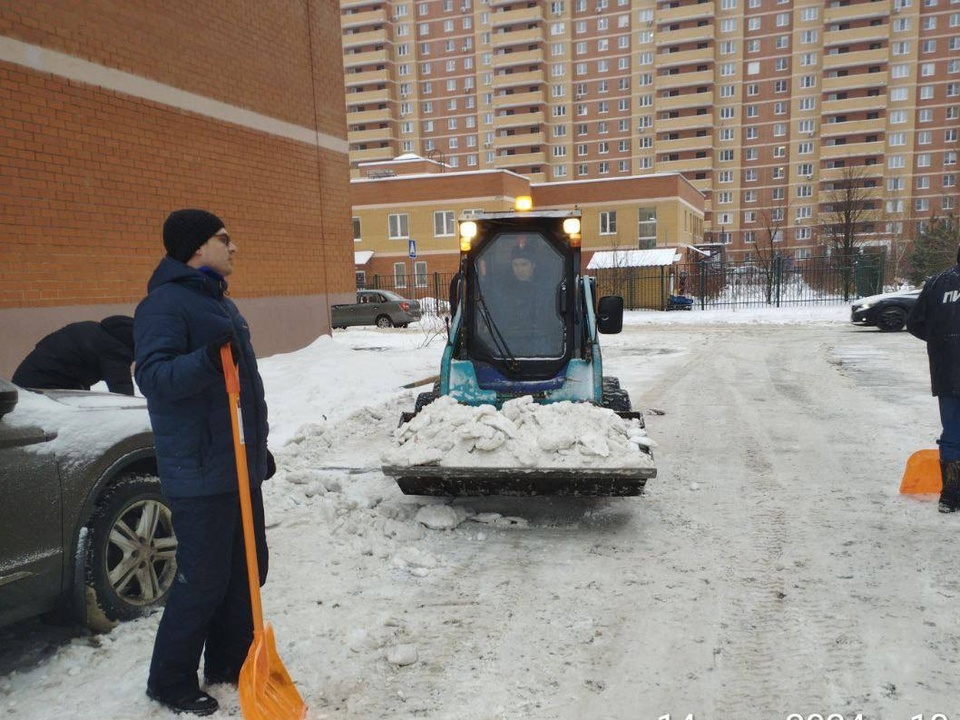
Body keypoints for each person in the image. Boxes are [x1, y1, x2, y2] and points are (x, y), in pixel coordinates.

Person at [134, 209, 274, 716]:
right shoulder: (165, 305)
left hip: (233, 464)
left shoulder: (214, 301)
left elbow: (237, 397)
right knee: (206, 578)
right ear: (196, 247)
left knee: (246, 568)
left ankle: (228, 661)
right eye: (224, 238)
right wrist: (203, 361)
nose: (233, 247)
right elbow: (153, 377)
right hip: (199, 472)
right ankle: (169, 679)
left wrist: (258, 451)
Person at [906, 248, 960, 513]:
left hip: (947, 372)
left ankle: (950, 495)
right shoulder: (938, 282)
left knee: (952, 434)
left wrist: (943, 343)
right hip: (948, 370)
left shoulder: (937, 282)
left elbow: (915, 322)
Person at [12, 316, 135, 395]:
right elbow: (122, 390)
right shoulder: (116, 350)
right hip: (41, 388)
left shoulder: (98, 330)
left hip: (29, 379)